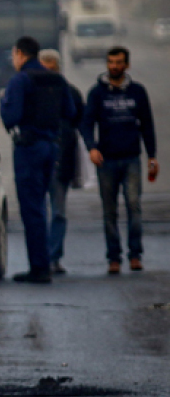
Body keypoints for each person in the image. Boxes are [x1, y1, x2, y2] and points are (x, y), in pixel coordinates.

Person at [0, 36, 76, 284]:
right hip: (51, 148)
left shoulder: (20, 80)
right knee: (42, 206)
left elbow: (11, 117)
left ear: (20, 54)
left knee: (32, 209)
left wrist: (4, 102)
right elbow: (71, 112)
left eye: (14, 55)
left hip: (29, 149)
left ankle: (39, 268)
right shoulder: (56, 78)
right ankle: (43, 263)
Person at [79, 46, 158, 275]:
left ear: (127, 65)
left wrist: (152, 156)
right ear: (107, 64)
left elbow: (147, 125)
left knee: (134, 206)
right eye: (111, 62)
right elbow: (86, 124)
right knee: (109, 210)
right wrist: (91, 148)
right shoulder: (97, 93)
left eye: (119, 62)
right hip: (107, 160)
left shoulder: (137, 92)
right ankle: (114, 257)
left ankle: (135, 255)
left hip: (132, 158)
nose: (114, 66)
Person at [37, 49, 85, 275]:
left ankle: (53, 257)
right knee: (38, 211)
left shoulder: (70, 93)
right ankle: (40, 258)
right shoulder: (31, 93)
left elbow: (79, 121)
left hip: (61, 161)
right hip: (37, 160)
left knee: (58, 212)